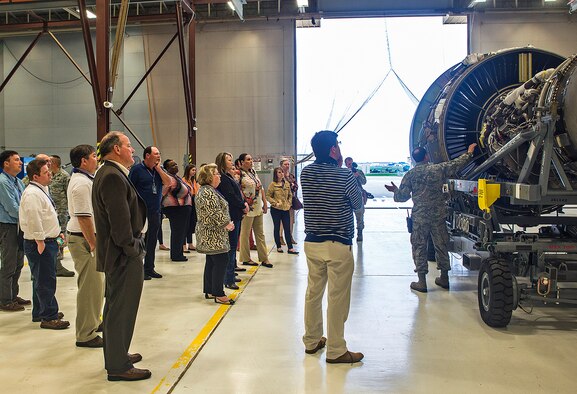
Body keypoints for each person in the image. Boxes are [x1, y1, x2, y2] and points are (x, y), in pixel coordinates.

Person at [301, 130, 364, 364]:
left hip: (312, 243)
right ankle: (337, 350)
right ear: (334, 150)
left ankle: (312, 340)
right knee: (337, 297)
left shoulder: (306, 173)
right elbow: (358, 205)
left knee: (313, 293)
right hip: (338, 244)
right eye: (337, 145)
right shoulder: (345, 176)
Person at [92, 131, 150, 382]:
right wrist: (133, 248)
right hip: (123, 255)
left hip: (120, 253)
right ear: (116, 149)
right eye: (128, 145)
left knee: (118, 307)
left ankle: (118, 352)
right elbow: (119, 222)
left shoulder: (110, 173)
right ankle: (117, 364)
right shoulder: (112, 176)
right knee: (120, 309)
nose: (132, 150)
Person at [385, 143, 477, 292]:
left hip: (420, 218)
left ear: (415, 160)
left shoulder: (410, 175)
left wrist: (395, 190)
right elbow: (456, 164)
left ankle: (421, 282)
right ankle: (444, 278)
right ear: (426, 156)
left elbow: (402, 197)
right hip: (438, 215)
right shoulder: (437, 169)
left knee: (419, 246)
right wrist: (469, 153)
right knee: (441, 245)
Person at [19, 158, 69, 329]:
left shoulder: (41, 189)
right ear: (35, 176)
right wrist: (40, 241)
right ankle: (49, 316)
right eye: (46, 173)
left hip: (47, 240)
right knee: (45, 280)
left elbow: (47, 214)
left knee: (41, 279)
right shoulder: (32, 194)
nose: (50, 175)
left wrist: (57, 232)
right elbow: (34, 219)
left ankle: (40, 311)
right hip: (40, 243)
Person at [66, 145, 105, 347]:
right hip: (84, 239)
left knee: (97, 286)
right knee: (90, 288)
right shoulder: (81, 183)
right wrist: (93, 244)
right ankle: (85, 334)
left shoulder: (86, 179)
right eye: (92, 157)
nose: (96, 160)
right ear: (83, 161)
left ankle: (94, 322)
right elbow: (83, 216)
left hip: (87, 238)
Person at [128, 146, 172, 280]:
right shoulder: (137, 170)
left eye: (159, 154)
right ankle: (139, 270)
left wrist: (158, 168)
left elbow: (168, 182)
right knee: (141, 241)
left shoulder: (158, 171)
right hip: (140, 212)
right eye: (156, 154)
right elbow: (129, 189)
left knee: (152, 241)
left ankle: (149, 268)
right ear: (147, 155)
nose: (159, 156)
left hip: (155, 211)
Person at [195, 163, 236, 305]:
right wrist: (227, 224)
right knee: (221, 260)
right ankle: (218, 293)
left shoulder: (209, 190)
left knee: (212, 261)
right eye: (216, 174)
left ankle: (210, 289)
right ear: (209, 177)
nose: (219, 176)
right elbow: (214, 212)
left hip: (213, 233)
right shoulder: (207, 192)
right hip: (212, 234)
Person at [0, 150, 28, 312]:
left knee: (18, 262)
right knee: (9, 264)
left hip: (19, 226)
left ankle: (12, 295)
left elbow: (25, 202)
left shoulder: (18, 182)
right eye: (16, 160)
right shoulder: (3, 182)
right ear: (6, 163)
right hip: (8, 226)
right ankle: (4, 300)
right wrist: (29, 218)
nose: (20, 162)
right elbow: (12, 208)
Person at [215, 152, 248, 290]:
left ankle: (230, 273)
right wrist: (242, 205)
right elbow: (231, 196)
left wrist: (244, 203)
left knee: (233, 246)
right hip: (231, 216)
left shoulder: (229, 176)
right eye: (228, 160)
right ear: (222, 162)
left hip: (236, 215)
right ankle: (228, 279)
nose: (231, 162)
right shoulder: (223, 178)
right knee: (231, 247)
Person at [238, 153, 272, 268]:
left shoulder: (253, 172)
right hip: (247, 208)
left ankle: (264, 258)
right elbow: (238, 190)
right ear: (242, 162)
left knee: (260, 233)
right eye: (248, 159)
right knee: (245, 234)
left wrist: (265, 202)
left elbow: (261, 187)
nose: (251, 161)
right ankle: (245, 258)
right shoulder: (239, 174)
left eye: (251, 159)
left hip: (257, 207)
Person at [161, 159, 192, 262]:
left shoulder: (176, 177)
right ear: (167, 168)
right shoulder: (169, 177)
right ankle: (176, 255)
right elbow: (176, 190)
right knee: (177, 231)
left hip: (182, 207)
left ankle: (178, 253)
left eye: (176, 164)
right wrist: (186, 191)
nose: (176, 166)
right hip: (176, 208)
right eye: (172, 165)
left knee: (180, 231)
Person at [266, 167, 298, 254]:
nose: (281, 174)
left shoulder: (287, 184)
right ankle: (278, 246)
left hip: (285, 209)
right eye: (279, 172)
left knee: (287, 228)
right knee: (277, 227)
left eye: (282, 172)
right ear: (276, 174)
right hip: (276, 209)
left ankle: (290, 248)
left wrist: (289, 203)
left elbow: (290, 195)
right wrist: (275, 203)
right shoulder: (273, 185)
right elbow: (268, 196)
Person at [344, 157, 367, 242]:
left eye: (352, 163)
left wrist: (357, 175)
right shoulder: (344, 172)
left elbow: (364, 182)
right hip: (347, 197)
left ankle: (360, 232)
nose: (350, 165)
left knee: (360, 215)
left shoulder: (358, 172)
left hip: (358, 195)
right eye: (349, 163)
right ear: (346, 164)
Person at [280, 158, 299, 245]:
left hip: (291, 199)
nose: (287, 166)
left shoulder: (291, 176)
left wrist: (293, 186)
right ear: (281, 166)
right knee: (282, 220)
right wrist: (290, 185)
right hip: (282, 199)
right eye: (285, 164)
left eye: (288, 164)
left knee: (291, 219)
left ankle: (290, 236)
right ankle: (280, 237)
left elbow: (296, 186)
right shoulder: (279, 175)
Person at [182, 164, 199, 253]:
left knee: (191, 224)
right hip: (187, 202)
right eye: (192, 170)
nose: (194, 172)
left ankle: (190, 243)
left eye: (195, 170)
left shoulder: (193, 180)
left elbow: (195, 191)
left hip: (193, 202)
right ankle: (183, 245)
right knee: (185, 224)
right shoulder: (183, 180)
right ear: (188, 170)